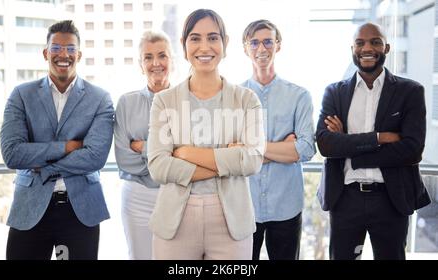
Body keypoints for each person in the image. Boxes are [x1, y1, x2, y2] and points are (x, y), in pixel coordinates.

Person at [146, 9, 265, 260]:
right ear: (183, 44)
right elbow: (158, 166)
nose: (204, 46)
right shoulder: (164, 101)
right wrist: (229, 160)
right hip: (175, 221)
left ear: (225, 43)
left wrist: (188, 154)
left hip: (231, 219)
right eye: (195, 38)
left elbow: (252, 160)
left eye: (213, 37)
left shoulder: (246, 99)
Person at [0, 20, 114, 260]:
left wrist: (44, 166)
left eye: (71, 49)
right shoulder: (21, 94)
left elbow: (95, 157)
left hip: (80, 209)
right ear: (45, 52)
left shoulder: (100, 98)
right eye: (57, 48)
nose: (64, 55)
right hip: (30, 207)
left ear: (79, 55)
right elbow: (12, 154)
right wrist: (66, 147)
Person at [316, 22, 430, 260]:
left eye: (375, 41)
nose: (367, 47)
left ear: (386, 47)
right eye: (360, 42)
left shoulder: (410, 92)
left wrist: (349, 147)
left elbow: (412, 149)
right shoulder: (334, 93)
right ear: (352, 48)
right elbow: (326, 144)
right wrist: (380, 138)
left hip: (391, 198)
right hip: (345, 199)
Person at [241, 20, 316, 260]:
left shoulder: (299, 96)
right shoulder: (233, 97)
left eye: (267, 41)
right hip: (244, 208)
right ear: (245, 48)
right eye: (254, 42)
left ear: (278, 46)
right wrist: (283, 148)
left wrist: (254, 149)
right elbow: (230, 153)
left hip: (286, 207)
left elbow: (305, 149)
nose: (261, 49)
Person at [114, 30, 173, 260]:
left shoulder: (186, 100)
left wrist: (142, 147)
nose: (155, 63)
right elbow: (123, 158)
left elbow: (189, 155)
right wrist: (167, 152)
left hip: (176, 194)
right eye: (148, 57)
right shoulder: (127, 103)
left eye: (162, 55)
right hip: (136, 197)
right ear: (140, 64)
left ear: (172, 60)